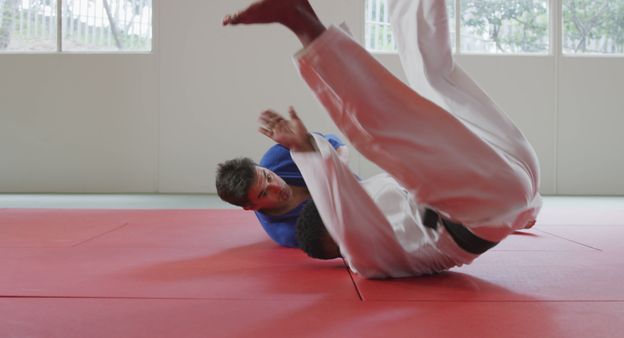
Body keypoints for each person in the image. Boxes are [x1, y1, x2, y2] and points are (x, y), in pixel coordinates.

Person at [223, 0, 542, 278]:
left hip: (503, 190)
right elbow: (344, 218)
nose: (274, 187)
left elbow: (345, 198)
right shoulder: (360, 256)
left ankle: (302, 21)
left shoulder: (366, 232)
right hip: (503, 185)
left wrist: (522, 212)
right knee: (428, 84)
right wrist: (306, 149)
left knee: (425, 84)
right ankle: (301, 21)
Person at [215, 132, 348, 247]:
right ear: (251, 206)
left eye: (268, 176)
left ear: (263, 168)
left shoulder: (278, 157)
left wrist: (340, 167)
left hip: (362, 188)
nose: (277, 187)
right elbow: (345, 240)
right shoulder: (288, 232)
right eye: (265, 193)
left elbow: (333, 142)